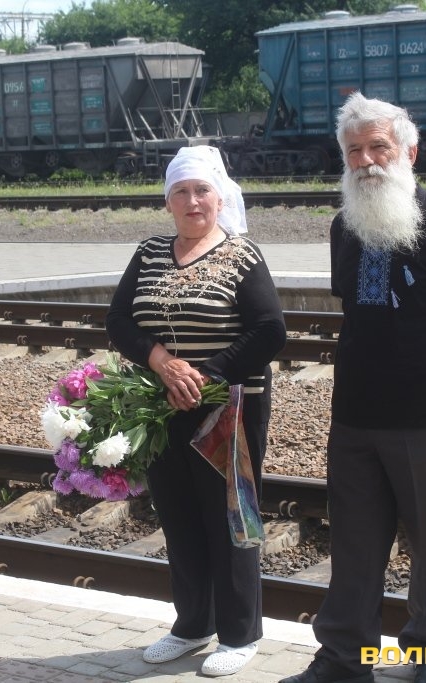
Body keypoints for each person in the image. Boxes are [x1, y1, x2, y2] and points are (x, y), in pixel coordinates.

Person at [280, 94, 426, 683]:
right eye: (354, 150)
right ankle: (343, 658)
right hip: (355, 410)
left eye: (378, 146)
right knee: (354, 541)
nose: (366, 160)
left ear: (409, 151)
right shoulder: (344, 226)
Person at [105, 145, 287, 677]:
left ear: (220, 197)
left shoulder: (242, 255)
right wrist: (162, 363)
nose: (192, 201)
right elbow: (119, 321)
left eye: (202, 190)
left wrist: (204, 375)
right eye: (180, 192)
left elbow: (270, 331)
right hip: (161, 405)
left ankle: (240, 634)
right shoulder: (149, 252)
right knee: (178, 516)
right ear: (167, 202)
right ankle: (192, 625)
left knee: (230, 518)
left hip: (228, 408)